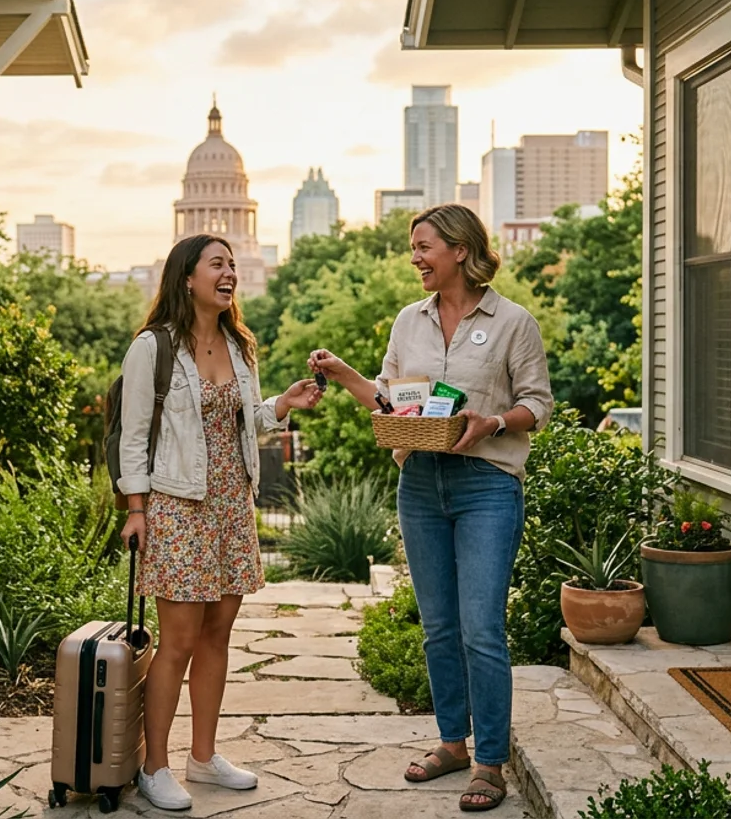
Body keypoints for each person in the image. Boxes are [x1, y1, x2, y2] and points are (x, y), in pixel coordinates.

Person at [308, 204, 553, 813]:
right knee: (439, 626)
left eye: (424, 247)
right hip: (419, 482)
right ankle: (451, 744)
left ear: (460, 251)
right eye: (413, 248)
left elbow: (538, 404)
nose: (414, 257)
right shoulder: (408, 321)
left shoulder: (513, 322)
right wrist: (342, 373)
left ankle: (490, 762)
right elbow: (392, 401)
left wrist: (492, 421)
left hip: (487, 485)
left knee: (481, 629)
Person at [118, 234, 322, 811]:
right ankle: (154, 767)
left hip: (232, 503)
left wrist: (281, 404)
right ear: (187, 277)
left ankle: (203, 757)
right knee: (178, 641)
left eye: (232, 264)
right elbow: (134, 437)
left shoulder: (239, 344)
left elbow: (243, 419)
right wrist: (136, 510)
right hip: (178, 506)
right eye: (217, 264)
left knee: (217, 635)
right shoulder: (153, 348)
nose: (229, 272)